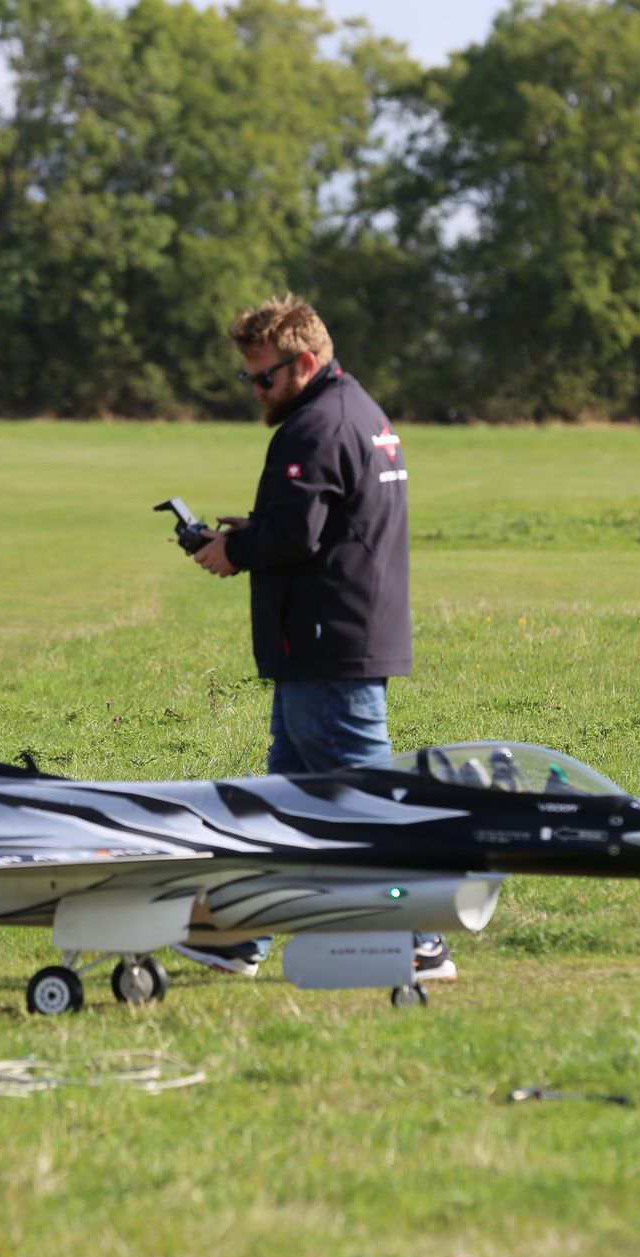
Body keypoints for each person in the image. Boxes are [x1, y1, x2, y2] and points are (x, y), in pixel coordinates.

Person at [173, 294, 455, 984]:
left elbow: (299, 533)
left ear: (302, 363)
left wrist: (234, 551)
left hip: (329, 646)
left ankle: (418, 937)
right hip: (335, 639)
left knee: (360, 801)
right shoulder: (359, 411)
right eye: (248, 378)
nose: (256, 390)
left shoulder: (315, 425)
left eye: (263, 377)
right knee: (287, 800)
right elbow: (329, 521)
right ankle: (240, 934)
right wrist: (255, 530)